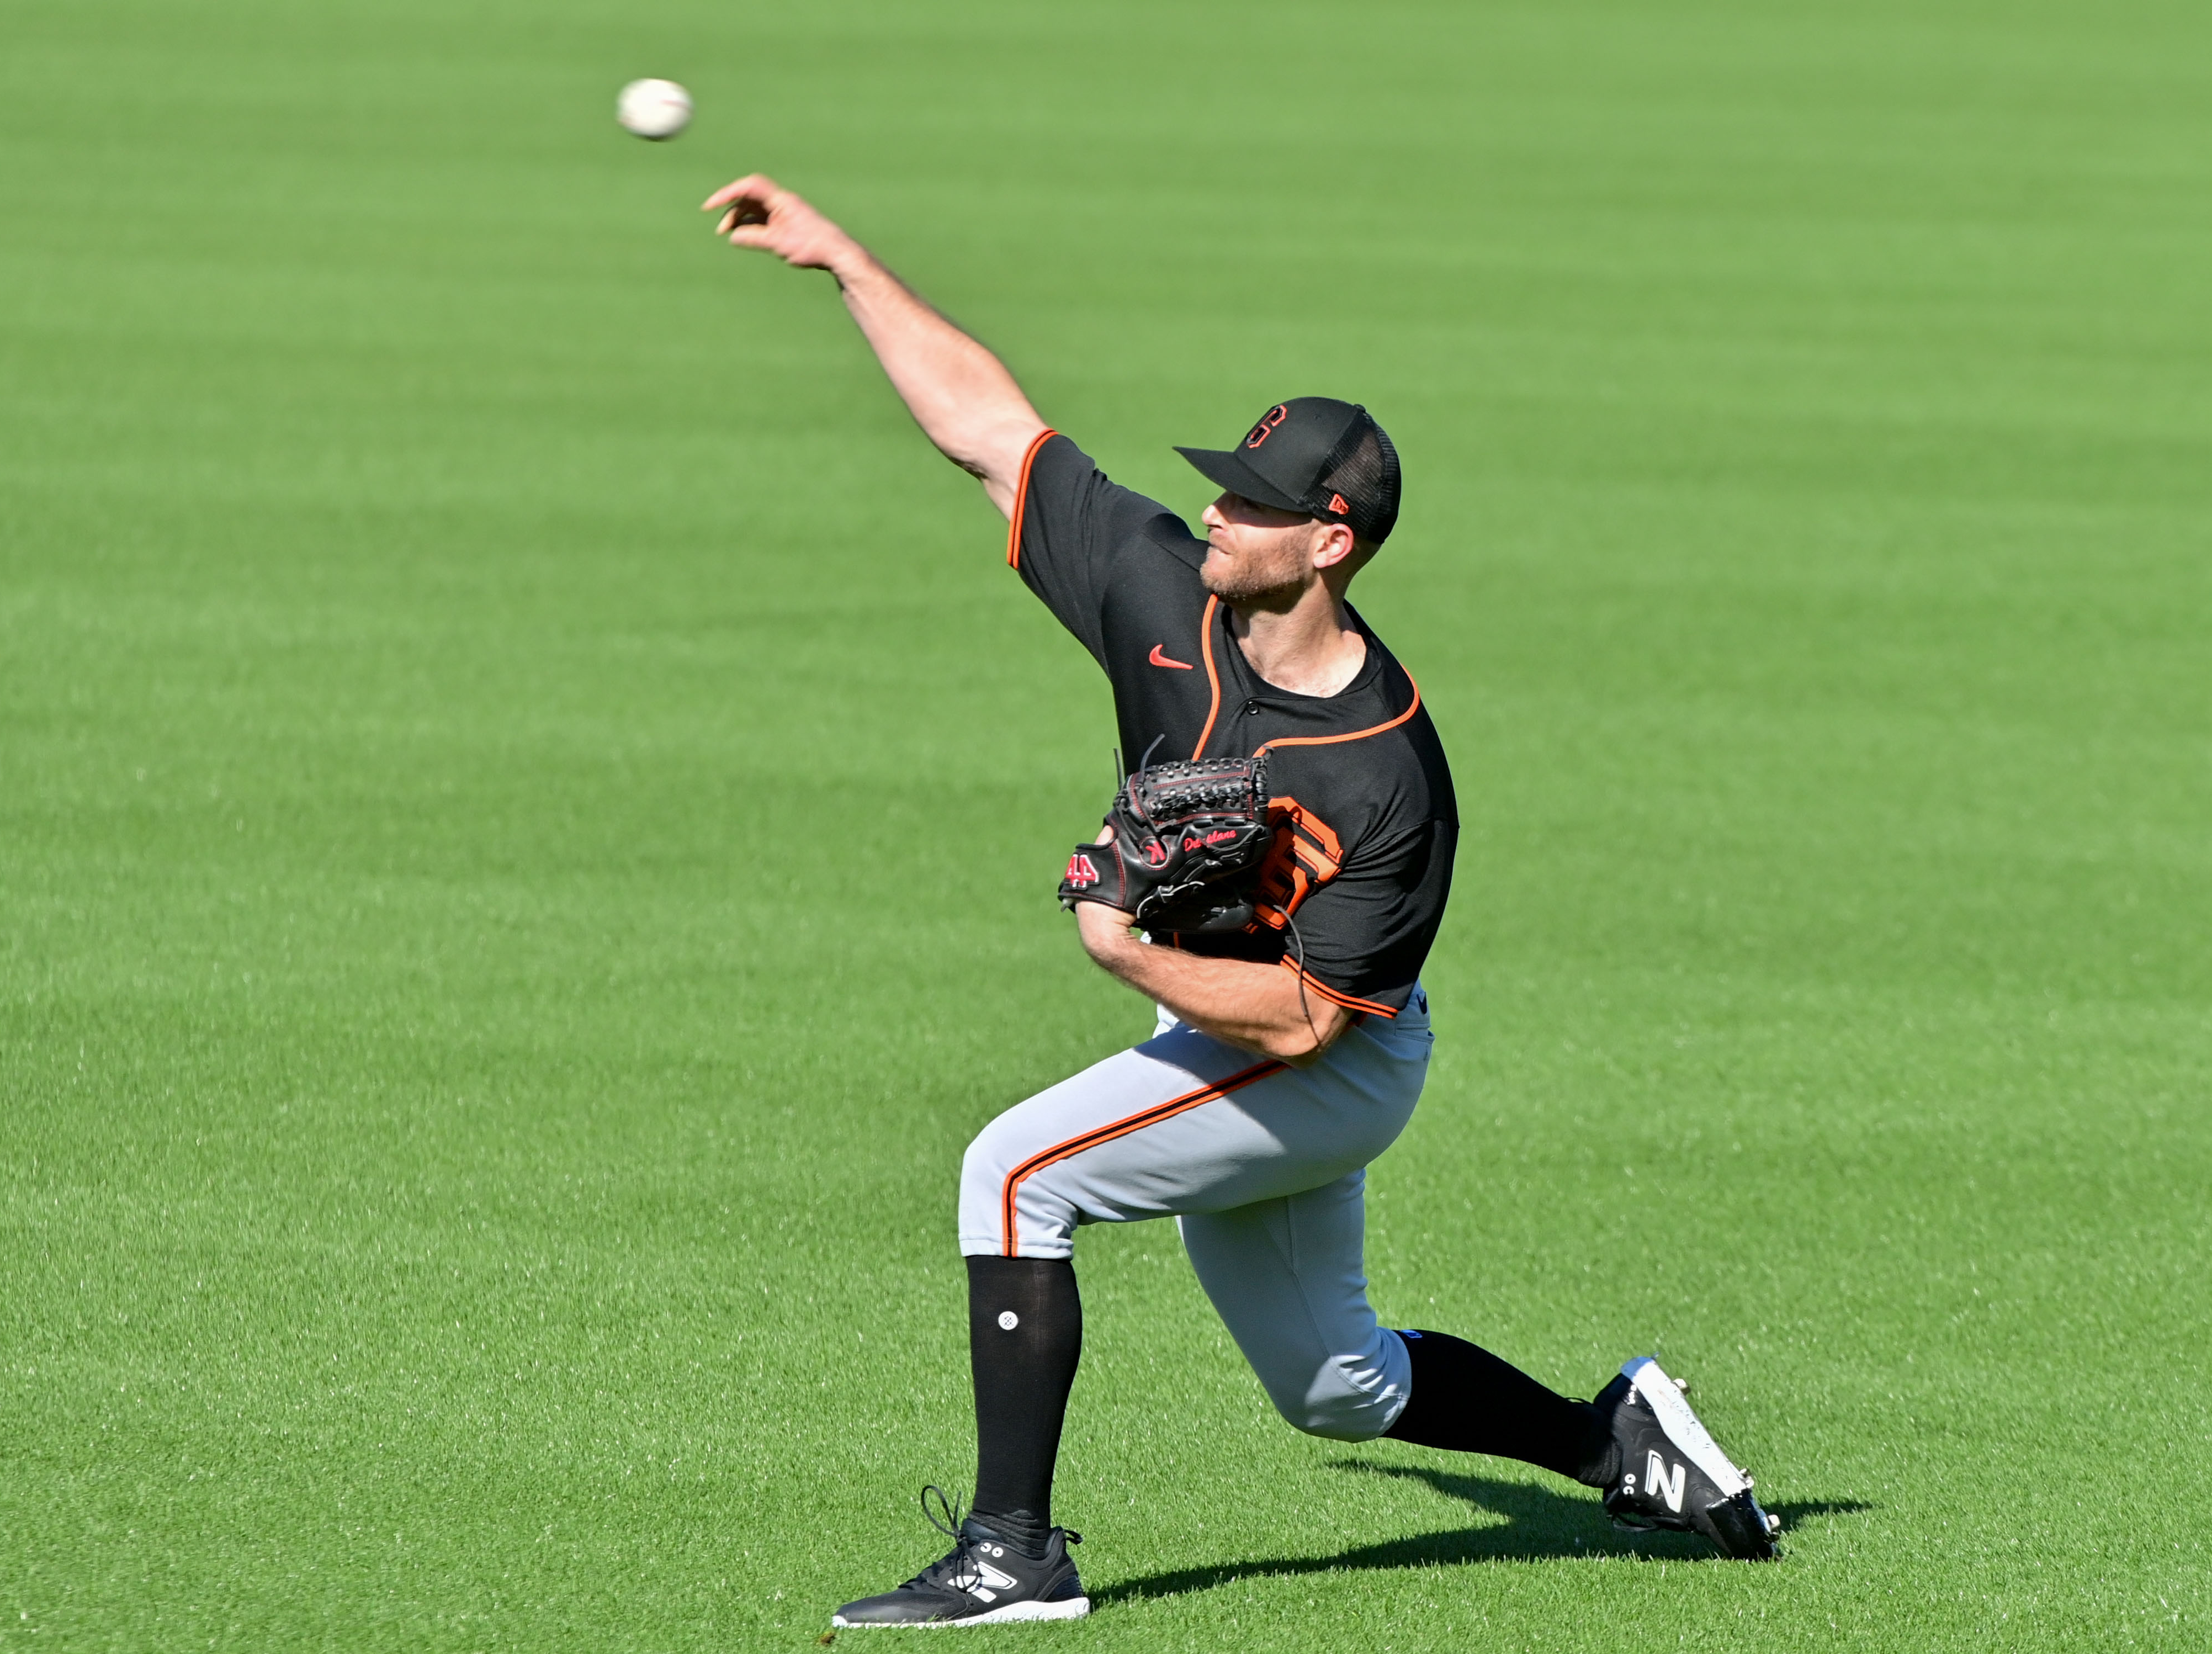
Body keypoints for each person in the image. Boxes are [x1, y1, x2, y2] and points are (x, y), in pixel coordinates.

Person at [702, 174, 1780, 1630]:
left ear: (1329, 541)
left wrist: (1118, 944)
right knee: (1340, 1387)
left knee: (1015, 1175)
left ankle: (1013, 1553)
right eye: (1223, 484)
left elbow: (1305, 1018)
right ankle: (1621, 1436)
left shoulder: (1389, 777)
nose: (1216, 512)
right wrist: (840, 259)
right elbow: (990, 428)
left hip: (1331, 1060)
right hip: (1240, 1025)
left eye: (1256, 505)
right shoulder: (1164, 588)